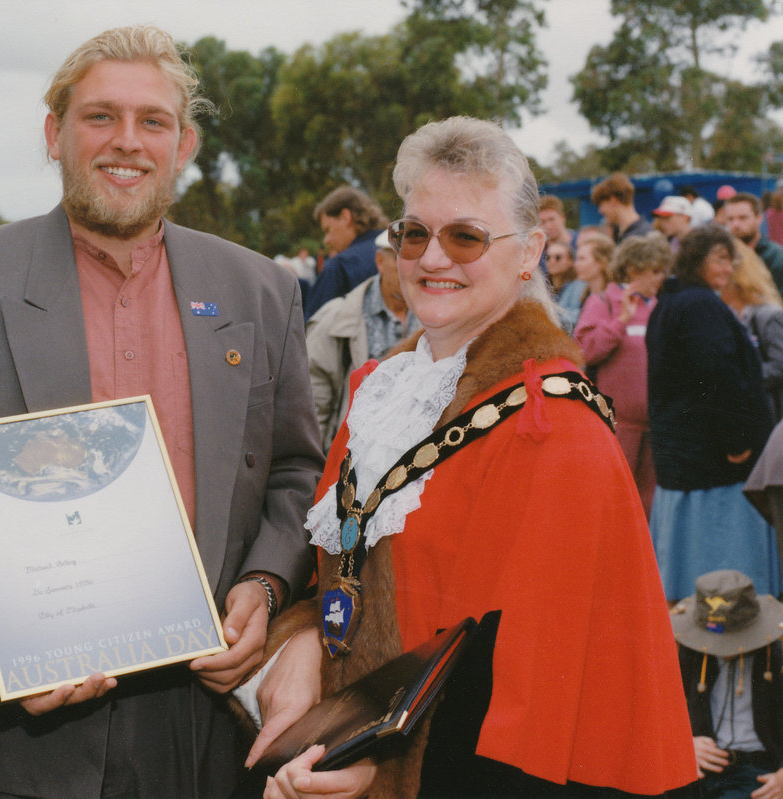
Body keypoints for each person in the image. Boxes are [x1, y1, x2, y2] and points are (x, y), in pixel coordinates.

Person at [0, 25, 324, 799]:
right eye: (100, 116)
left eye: (152, 121)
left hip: (202, 727)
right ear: (53, 134)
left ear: (184, 143)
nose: (126, 142)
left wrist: (267, 584)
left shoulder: (259, 289)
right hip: (10, 737)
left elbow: (298, 467)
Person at [248, 116, 697, 799]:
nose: (433, 259)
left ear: (531, 252)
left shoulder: (555, 430)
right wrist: (305, 635)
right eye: (414, 233)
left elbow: (532, 703)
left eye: (466, 236)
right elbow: (348, 566)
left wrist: (381, 766)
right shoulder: (381, 388)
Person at [646, 225, 779, 603]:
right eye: (719, 258)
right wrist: (737, 440)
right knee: (726, 570)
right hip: (714, 467)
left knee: (691, 577)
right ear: (697, 259)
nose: (728, 268)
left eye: (730, 259)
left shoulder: (672, 303)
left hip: (686, 460)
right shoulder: (700, 305)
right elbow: (718, 375)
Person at [574, 232, 672, 517]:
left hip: (655, 426)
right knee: (612, 499)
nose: (659, 278)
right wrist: (620, 323)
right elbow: (584, 350)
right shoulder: (603, 301)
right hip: (617, 425)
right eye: (653, 271)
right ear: (633, 268)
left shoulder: (658, 305)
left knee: (649, 504)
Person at [672, 569, 783, 799]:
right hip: (695, 760)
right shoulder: (688, 654)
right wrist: (681, 743)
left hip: (757, 767)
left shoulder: (777, 656)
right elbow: (656, 710)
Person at [305, 231, 420, 450]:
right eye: (402, 260)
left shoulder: (440, 319)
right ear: (380, 262)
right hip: (351, 466)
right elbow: (312, 413)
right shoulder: (334, 320)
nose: (411, 271)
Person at [302, 187, 389, 320]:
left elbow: (313, 328)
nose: (326, 240)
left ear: (345, 217)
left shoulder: (342, 265)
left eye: (327, 229)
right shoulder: (399, 248)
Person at [720, 241, 783, 423]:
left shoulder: (769, 315)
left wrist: (741, 378)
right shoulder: (729, 315)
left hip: (772, 416)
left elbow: (779, 366)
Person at [724, 193, 783, 295]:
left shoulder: (776, 257)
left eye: (743, 218)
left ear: (759, 218)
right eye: (730, 219)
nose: (735, 224)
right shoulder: (724, 256)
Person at [590, 172, 654, 244]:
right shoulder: (620, 235)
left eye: (600, 205)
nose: (600, 211)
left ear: (612, 201)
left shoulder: (644, 238)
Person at [544, 239, 585, 331]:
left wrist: (547, 314)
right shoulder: (543, 286)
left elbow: (577, 317)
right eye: (548, 257)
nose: (552, 261)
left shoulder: (578, 286)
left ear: (570, 261)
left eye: (558, 257)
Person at [573, 230, 615, 310]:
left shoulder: (613, 298)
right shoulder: (586, 295)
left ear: (601, 262)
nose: (576, 264)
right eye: (577, 259)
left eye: (582, 259)